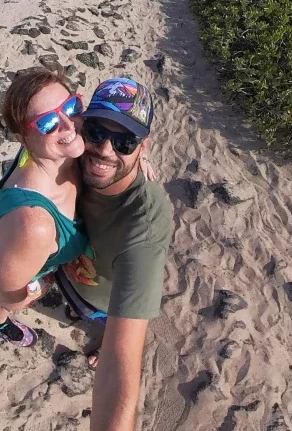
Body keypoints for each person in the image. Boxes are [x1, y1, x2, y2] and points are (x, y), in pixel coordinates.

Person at [56, 77, 173, 431]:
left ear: (143, 147)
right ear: (81, 128)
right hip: (63, 271)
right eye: (96, 133)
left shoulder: (147, 223)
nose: (106, 150)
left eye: (124, 141)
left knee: (113, 342)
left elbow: (123, 367)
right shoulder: (73, 155)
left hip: (103, 304)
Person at [0, 65, 91, 346]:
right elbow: (9, 290)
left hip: (12, 236)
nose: (68, 124)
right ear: (23, 139)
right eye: (47, 123)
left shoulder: (55, 150)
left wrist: (138, 158)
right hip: (17, 255)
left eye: (71, 105)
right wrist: (20, 298)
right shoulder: (35, 227)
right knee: (3, 302)